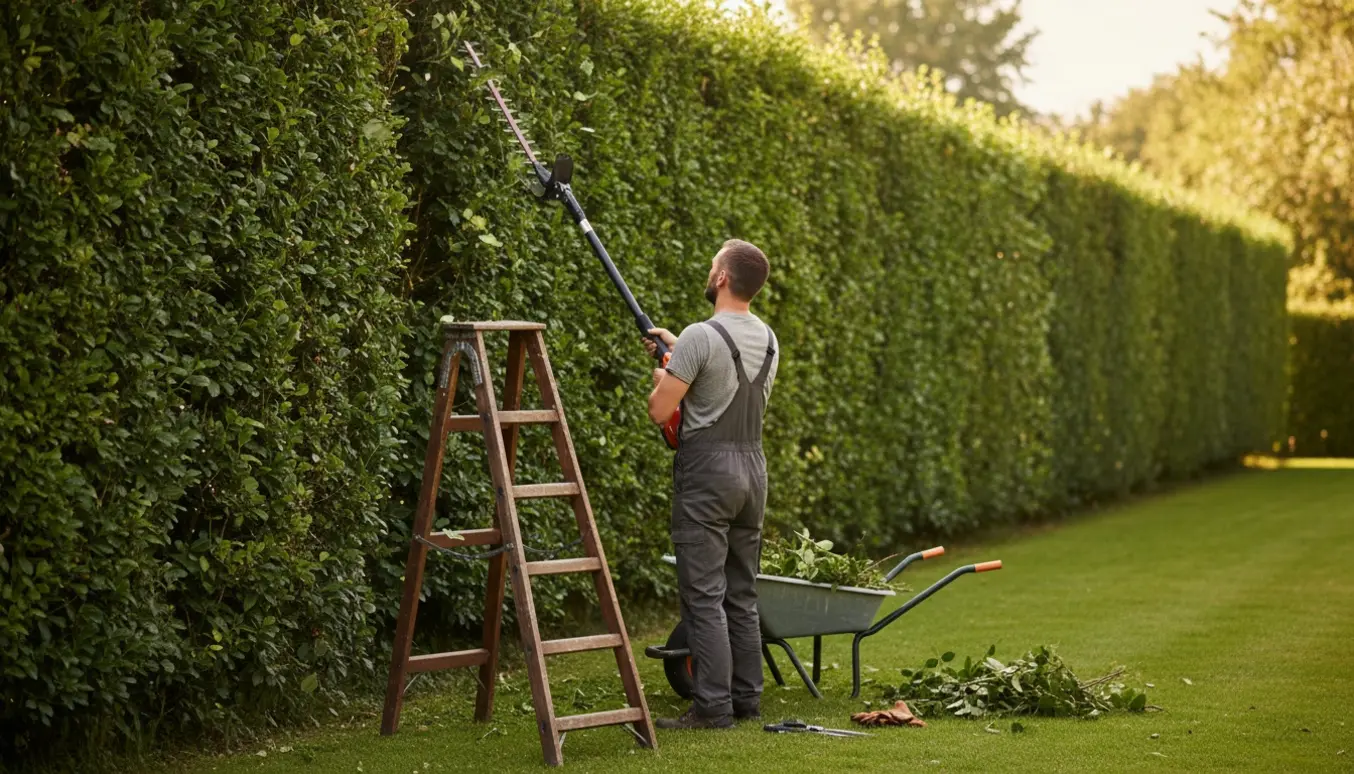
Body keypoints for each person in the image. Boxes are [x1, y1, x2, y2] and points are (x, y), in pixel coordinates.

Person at [643, 239, 779, 730]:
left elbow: (660, 410)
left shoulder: (699, 336)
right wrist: (678, 350)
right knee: (741, 594)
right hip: (752, 472)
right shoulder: (768, 338)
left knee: (703, 594)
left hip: (707, 473)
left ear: (722, 277)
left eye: (712, 265)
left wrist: (663, 375)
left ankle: (712, 708)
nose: (709, 271)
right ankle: (746, 699)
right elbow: (723, 378)